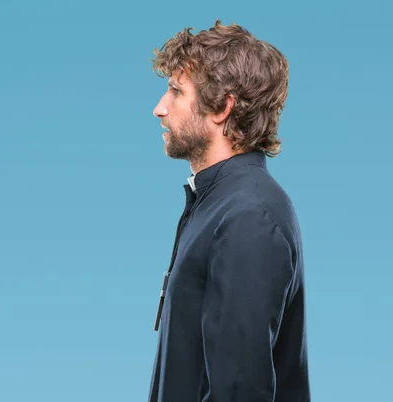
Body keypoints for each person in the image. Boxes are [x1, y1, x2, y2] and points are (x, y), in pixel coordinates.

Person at [148, 20, 311, 401]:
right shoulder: (217, 205)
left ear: (222, 107)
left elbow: (240, 391)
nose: (159, 108)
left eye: (175, 91)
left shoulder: (248, 216)